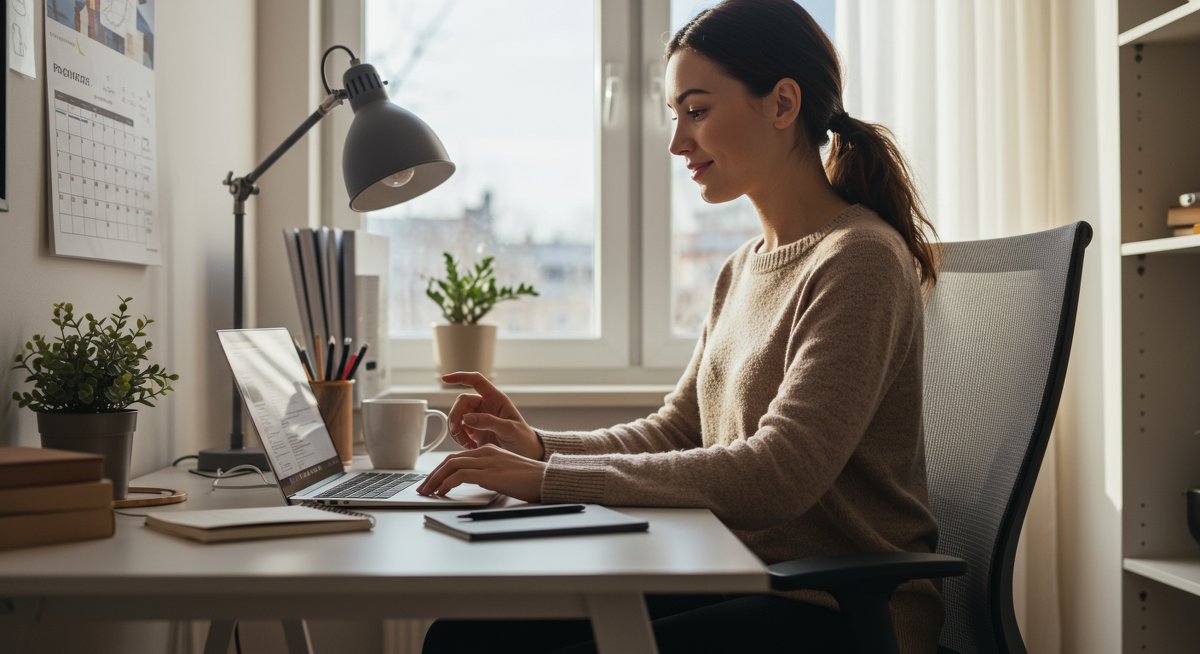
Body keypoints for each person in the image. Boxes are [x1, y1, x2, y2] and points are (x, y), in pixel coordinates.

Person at [418, 0, 942, 651]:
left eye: (696, 111)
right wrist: (541, 447)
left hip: (837, 612)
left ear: (783, 104)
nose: (676, 143)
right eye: (675, 115)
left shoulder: (859, 258)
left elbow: (779, 472)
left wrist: (548, 480)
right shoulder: (740, 269)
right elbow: (677, 430)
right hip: (742, 578)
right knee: (464, 637)